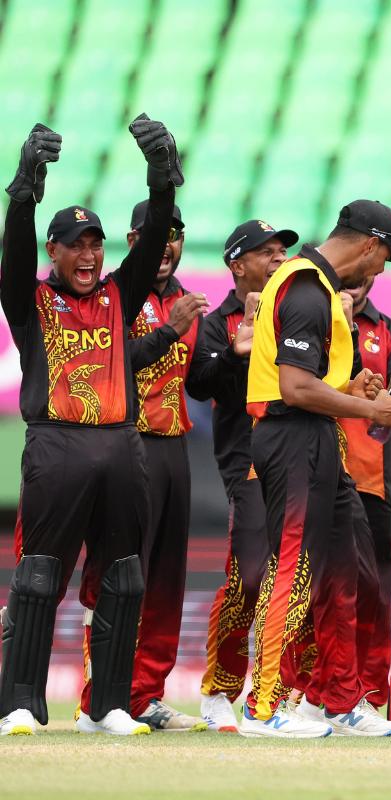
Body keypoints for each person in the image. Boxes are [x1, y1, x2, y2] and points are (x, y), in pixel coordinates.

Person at [0, 115, 182, 736]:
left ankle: (106, 706)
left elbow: (155, 239)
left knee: (124, 575)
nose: (88, 255)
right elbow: (15, 248)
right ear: (54, 251)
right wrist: (24, 190)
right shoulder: (30, 301)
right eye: (75, 244)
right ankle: (19, 703)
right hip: (57, 445)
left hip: (121, 445)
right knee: (40, 573)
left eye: (96, 243)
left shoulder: (117, 294)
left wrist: (162, 182)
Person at [239, 200, 391, 738]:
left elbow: (311, 380)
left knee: (345, 568)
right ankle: (261, 707)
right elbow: (292, 388)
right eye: (385, 257)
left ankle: (338, 700)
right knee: (291, 568)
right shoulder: (309, 289)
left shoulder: (316, 288)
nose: (381, 269)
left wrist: (349, 388)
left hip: (315, 437)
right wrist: (370, 409)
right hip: (291, 437)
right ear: (368, 244)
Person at [187, 219, 298, 732]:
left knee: (303, 579)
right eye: (267, 252)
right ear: (238, 265)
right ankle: (218, 690)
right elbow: (199, 382)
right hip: (247, 462)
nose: (278, 259)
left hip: (298, 456)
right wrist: (236, 351)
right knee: (250, 575)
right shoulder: (219, 322)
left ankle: (282, 697)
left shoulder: (295, 310)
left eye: (282, 252)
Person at [115, 200, 210, 732]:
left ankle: (145, 695)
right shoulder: (116, 295)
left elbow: (197, 381)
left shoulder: (183, 300)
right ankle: (103, 693)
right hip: (128, 442)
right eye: (156, 235)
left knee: (168, 580)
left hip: (174, 447)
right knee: (123, 574)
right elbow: (107, 364)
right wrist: (171, 331)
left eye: (176, 234)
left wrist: (229, 355)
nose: (167, 245)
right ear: (134, 242)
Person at [337, 272, 391, 709]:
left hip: (369, 482)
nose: (355, 283)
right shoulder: (304, 320)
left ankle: (369, 697)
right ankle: (303, 695)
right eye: (346, 275)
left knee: (372, 596)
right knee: (311, 592)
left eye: (362, 276)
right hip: (309, 476)